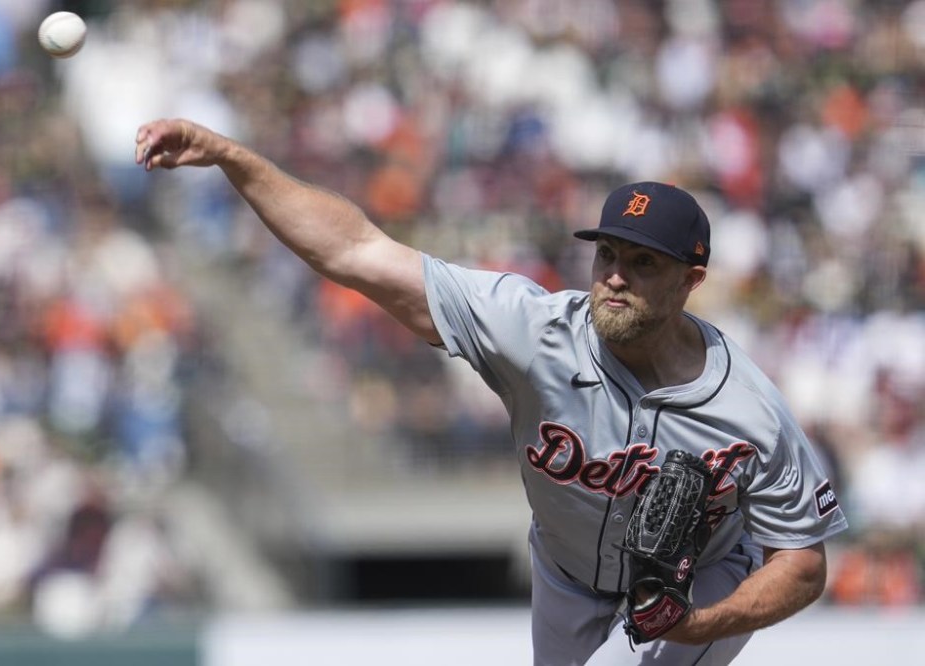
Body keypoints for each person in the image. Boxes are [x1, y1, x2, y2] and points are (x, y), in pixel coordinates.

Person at [134, 119, 848, 665]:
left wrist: (696, 624)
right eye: (607, 254)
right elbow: (354, 250)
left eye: (642, 262)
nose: (616, 276)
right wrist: (233, 157)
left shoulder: (748, 410)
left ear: (692, 280)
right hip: (567, 574)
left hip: (698, 582)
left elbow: (803, 563)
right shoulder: (531, 331)